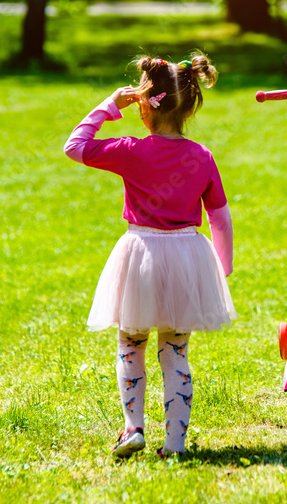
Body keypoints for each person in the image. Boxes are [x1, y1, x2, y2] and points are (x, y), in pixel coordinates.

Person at [63, 53, 235, 457]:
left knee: (130, 342)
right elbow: (220, 218)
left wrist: (108, 106)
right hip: (187, 256)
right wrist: (219, 269)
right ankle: (174, 444)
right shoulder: (202, 156)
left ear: (143, 107)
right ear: (189, 107)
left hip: (140, 254)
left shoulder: (130, 150)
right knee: (174, 350)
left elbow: (74, 146)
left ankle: (133, 428)